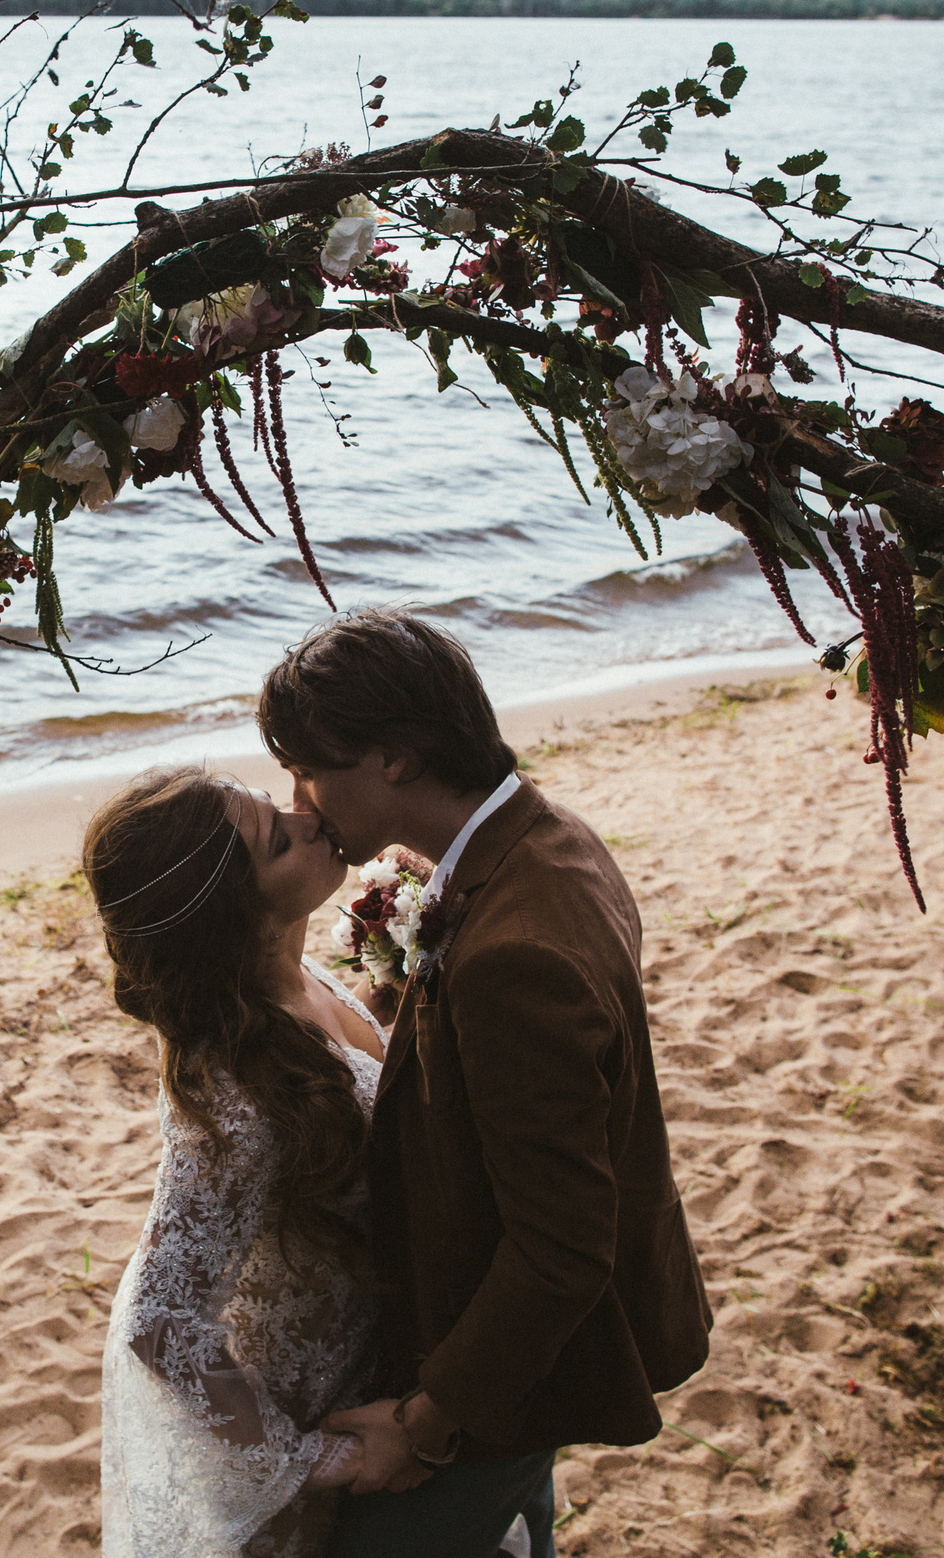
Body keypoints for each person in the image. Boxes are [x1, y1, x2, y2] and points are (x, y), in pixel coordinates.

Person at [259, 608, 713, 1558]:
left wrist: (425, 1419)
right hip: (518, 1356)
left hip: (507, 1370)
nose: (300, 800)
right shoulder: (547, 838)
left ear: (393, 758)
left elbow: (561, 1248)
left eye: (308, 766)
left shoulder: (514, 953)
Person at [86, 766, 390, 1557]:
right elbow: (159, 1322)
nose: (309, 820)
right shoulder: (236, 1098)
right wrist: (308, 1458)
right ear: (242, 917)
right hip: (307, 1414)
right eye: (279, 837)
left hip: (370, 1358)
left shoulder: (299, 978)